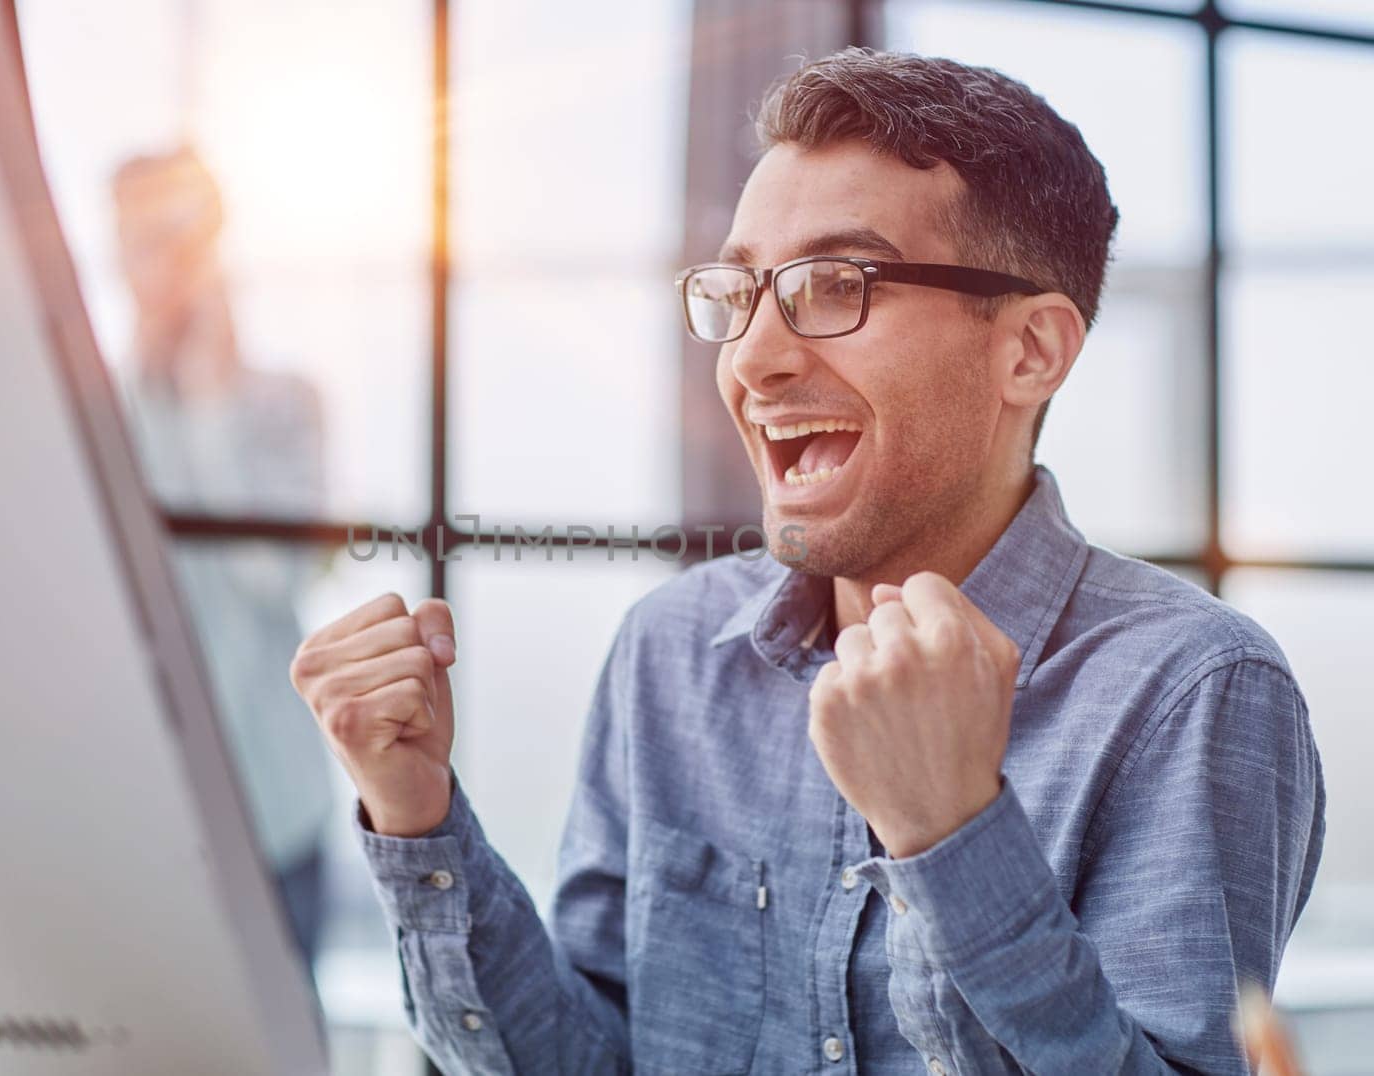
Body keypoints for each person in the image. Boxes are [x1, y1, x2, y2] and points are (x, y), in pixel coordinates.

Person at [288, 49, 1325, 1074]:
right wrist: (416, 812)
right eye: (737, 291)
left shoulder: (1191, 690)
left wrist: (950, 839)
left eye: (836, 283)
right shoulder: (672, 651)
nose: (752, 358)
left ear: (1030, 350)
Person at [112, 147, 336, 973]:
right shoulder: (104, 413)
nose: (153, 265)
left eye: (172, 236)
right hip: (145, 821)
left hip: (274, 813)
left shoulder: (287, 402)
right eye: (133, 241)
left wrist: (211, 406)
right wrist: (143, 381)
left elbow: (274, 577)